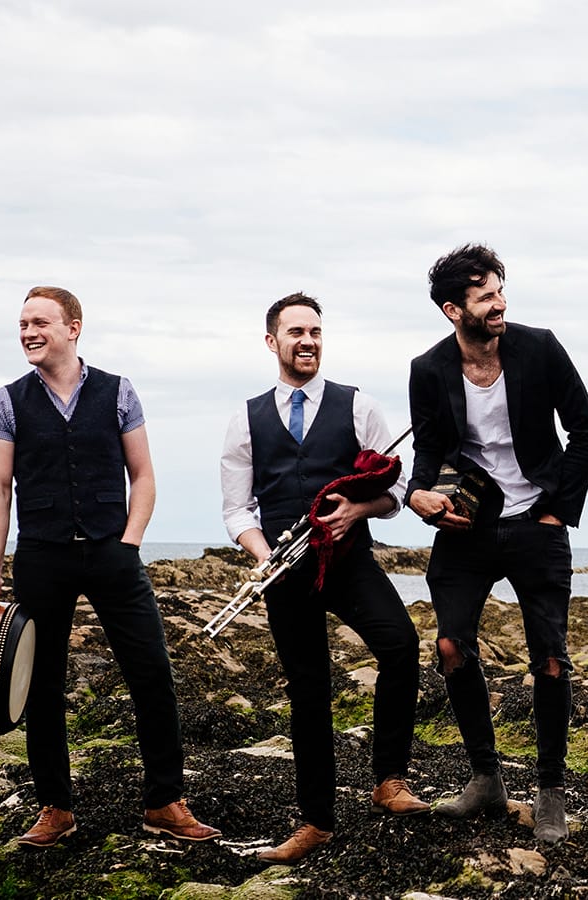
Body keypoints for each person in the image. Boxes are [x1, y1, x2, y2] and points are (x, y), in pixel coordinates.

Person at [0, 286, 219, 848]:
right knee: (41, 683)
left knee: (152, 673)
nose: (28, 333)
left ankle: (164, 801)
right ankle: (55, 808)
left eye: (40, 322)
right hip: (41, 556)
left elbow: (145, 475)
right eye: (22, 325)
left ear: (73, 327)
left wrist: (130, 543)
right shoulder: (5, 401)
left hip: (113, 552)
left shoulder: (117, 391)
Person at [219, 293, 428, 864]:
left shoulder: (358, 405)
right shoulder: (246, 416)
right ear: (272, 342)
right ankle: (316, 822)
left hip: (350, 562)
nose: (307, 341)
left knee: (402, 646)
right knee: (308, 692)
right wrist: (261, 554)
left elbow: (399, 489)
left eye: (315, 332)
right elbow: (238, 510)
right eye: (295, 333)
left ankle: (388, 779)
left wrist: (358, 511)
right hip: (284, 571)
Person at [405, 244, 588, 845]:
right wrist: (418, 495)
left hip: (535, 522)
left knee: (550, 657)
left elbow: (584, 430)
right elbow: (429, 452)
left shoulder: (538, 347)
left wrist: (555, 511)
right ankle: (486, 778)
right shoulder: (428, 368)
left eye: (499, 290)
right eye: (484, 295)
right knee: (450, 646)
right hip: (467, 526)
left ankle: (550, 791)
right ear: (451, 309)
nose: (499, 303)